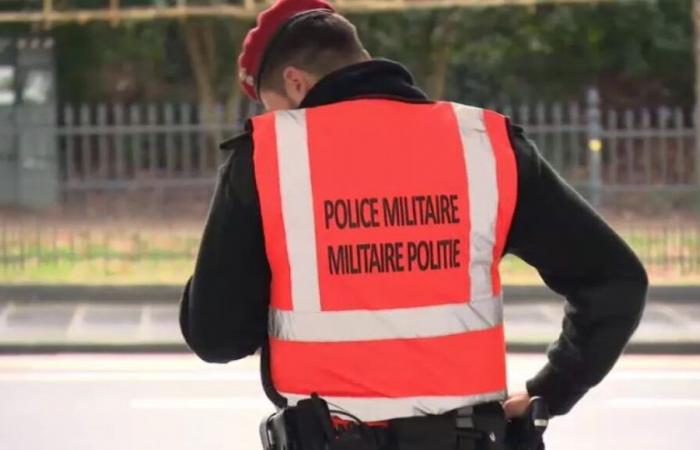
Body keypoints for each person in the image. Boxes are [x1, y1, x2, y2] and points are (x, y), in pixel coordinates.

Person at [179, 0, 648, 448]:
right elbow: (616, 283)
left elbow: (216, 337)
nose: (273, 121)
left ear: (296, 83)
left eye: (270, 105)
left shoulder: (266, 158)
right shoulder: (486, 146)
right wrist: (552, 389)